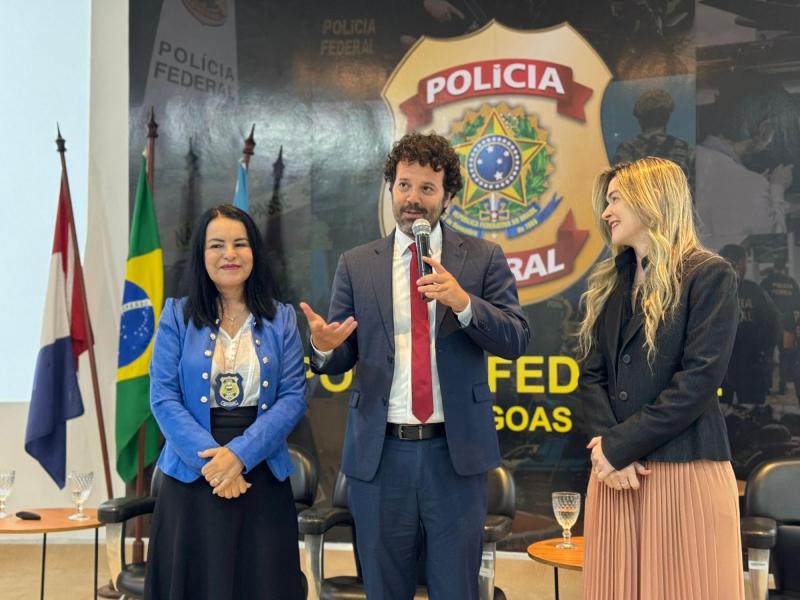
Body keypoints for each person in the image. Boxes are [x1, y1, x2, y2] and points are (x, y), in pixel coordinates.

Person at [300, 132, 529, 600]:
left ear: (448, 197)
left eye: (427, 188)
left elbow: (516, 338)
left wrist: (464, 303)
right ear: (391, 188)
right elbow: (343, 353)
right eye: (404, 185)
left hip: (454, 454)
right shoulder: (357, 264)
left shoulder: (481, 258)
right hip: (381, 456)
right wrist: (323, 349)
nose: (413, 199)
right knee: (384, 588)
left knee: (455, 589)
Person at [577, 157, 745, 599]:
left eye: (616, 199)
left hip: (683, 472)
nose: (606, 212)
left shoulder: (709, 274)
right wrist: (607, 449)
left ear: (650, 201)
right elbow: (591, 376)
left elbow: (697, 382)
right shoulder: (612, 282)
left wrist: (618, 447)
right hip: (616, 477)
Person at [145, 204, 306, 600]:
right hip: (192, 475)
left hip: (261, 473)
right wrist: (215, 465)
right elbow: (164, 397)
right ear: (201, 255)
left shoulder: (283, 318)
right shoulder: (176, 316)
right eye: (217, 245)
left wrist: (239, 457)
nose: (229, 254)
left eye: (240, 244)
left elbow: (292, 398)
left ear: (255, 252)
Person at [718, 244, 781, 405]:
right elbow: (773, 322)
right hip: (750, 366)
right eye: (745, 262)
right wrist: (764, 352)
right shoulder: (754, 291)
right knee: (751, 408)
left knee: (720, 408)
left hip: (721, 367)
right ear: (740, 263)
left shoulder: (712, 291)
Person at [612, 88, 692, 181]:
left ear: (640, 118)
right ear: (667, 117)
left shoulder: (627, 149)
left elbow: (620, 183)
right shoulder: (684, 148)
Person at [760, 255, 800, 395]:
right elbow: (798, 306)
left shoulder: (766, 282)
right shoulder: (792, 283)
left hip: (770, 326)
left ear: (774, 267)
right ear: (785, 267)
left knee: (768, 355)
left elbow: (761, 304)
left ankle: (767, 386)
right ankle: (783, 385)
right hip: (788, 327)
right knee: (786, 356)